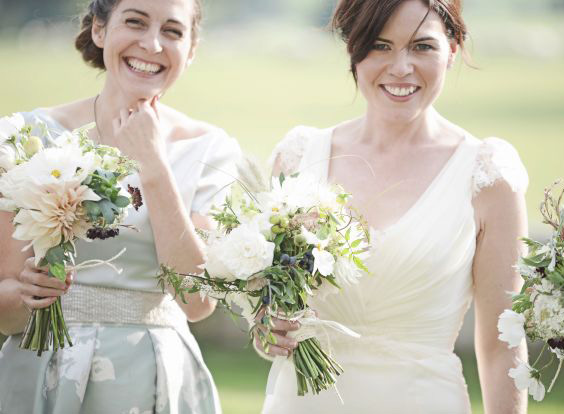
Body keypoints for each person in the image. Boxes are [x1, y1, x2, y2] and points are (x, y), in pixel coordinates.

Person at [257, 0, 529, 413]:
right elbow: (267, 309)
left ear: (452, 51)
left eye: (422, 47)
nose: (401, 68)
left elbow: (501, 343)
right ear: (352, 48)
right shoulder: (299, 157)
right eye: (380, 46)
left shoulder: (487, 176)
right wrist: (266, 329)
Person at [0, 0, 240, 413]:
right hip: (43, 367)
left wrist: (153, 166)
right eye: (135, 22)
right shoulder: (27, 137)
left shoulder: (209, 150)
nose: (152, 44)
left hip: (153, 376)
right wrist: (27, 293)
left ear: (191, 49)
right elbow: (5, 308)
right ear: (99, 30)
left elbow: (197, 302)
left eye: (173, 31)